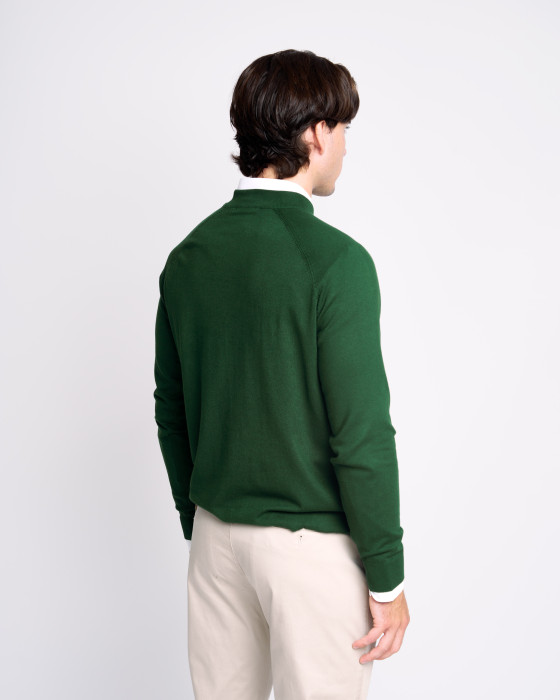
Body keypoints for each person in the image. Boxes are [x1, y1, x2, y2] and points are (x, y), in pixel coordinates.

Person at [153, 48, 410, 700]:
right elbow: (361, 436)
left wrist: (197, 518)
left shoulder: (189, 257)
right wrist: (388, 579)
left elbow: (171, 408)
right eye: (342, 128)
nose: (345, 146)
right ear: (315, 134)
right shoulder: (337, 263)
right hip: (309, 553)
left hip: (215, 540)